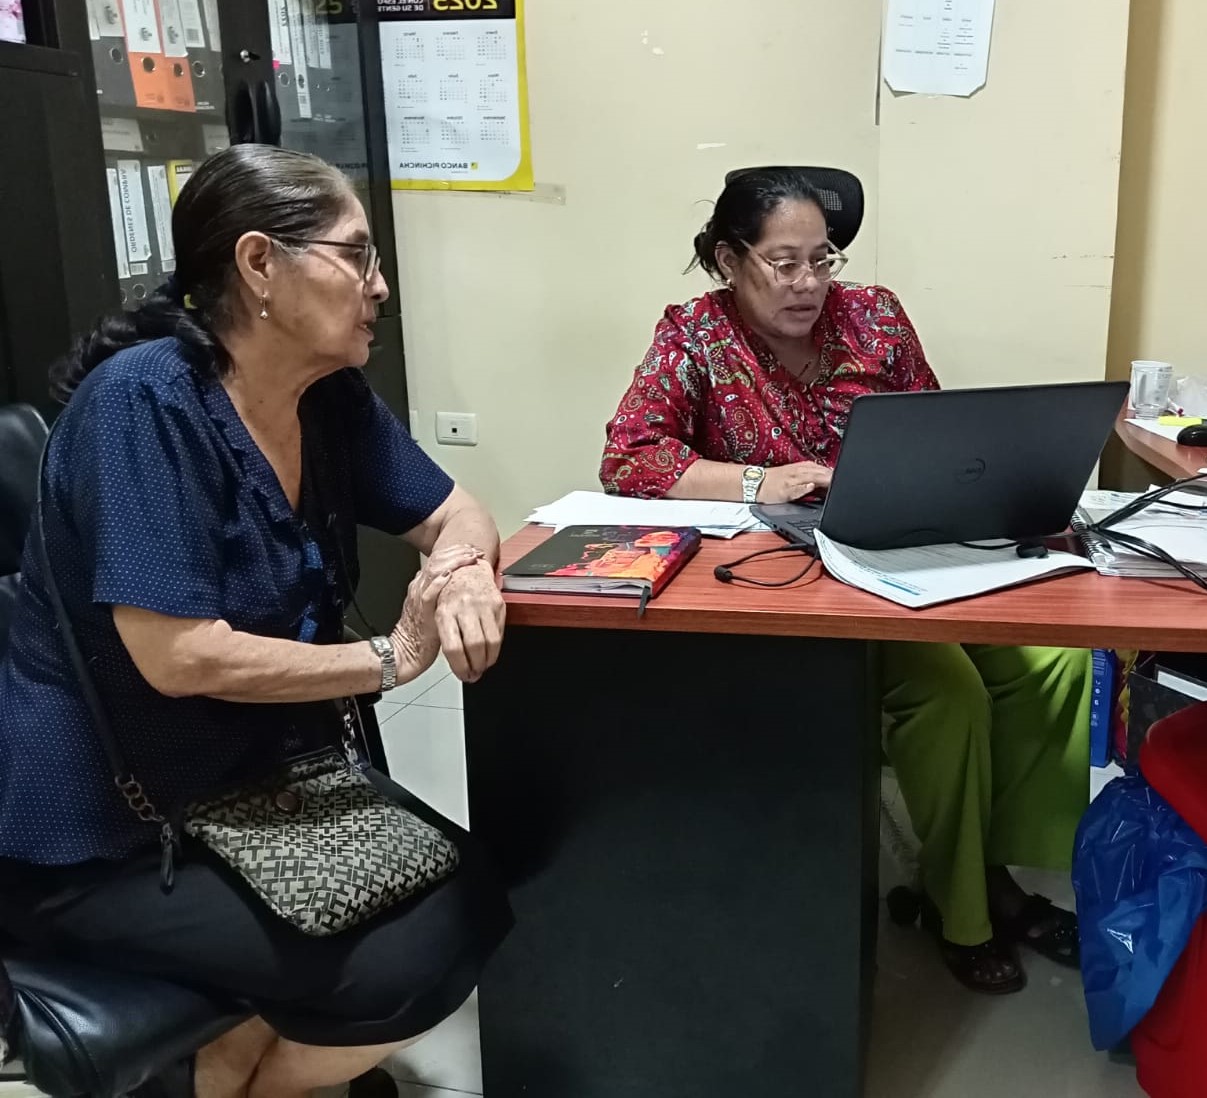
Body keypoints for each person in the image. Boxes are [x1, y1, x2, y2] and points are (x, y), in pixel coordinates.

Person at [0, 144, 511, 1097]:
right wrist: (392, 655)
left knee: (470, 892)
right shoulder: (145, 404)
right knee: (403, 956)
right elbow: (180, 657)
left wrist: (463, 569)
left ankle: (229, 1070)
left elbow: (454, 510)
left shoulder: (327, 396)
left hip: (254, 792)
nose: (379, 284)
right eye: (356, 255)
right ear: (259, 264)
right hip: (107, 835)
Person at [600, 167, 1090, 995]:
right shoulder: (694, 335)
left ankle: (990, 870)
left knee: (1054, 661)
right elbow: (629, 458)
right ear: (729, 259)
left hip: (905, 549)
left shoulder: (875, 317)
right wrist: (761, 481)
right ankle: (962, 909)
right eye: (782, 262)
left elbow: (937, 430)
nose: (807, 282)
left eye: (822, 259)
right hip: (803, 579)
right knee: (947, 691)